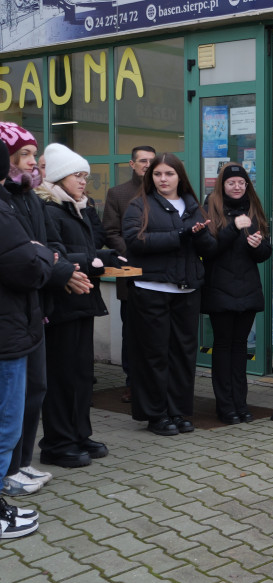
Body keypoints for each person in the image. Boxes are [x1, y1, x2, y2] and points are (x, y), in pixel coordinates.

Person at [0, 124, 85, 487]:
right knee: (11, 400)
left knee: (35, 389)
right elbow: (26, 256)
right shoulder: (5, 200)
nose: (35, 163)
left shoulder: (31, 198)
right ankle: (8, 470)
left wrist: (56, 262)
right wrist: (57, 267)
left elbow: (47, 245)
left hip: (34, 308)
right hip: (15, 310)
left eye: (35, 155)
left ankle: (21, 462)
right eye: (27, 155)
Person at [37, 144, 122, 467]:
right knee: (61, 375)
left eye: (85, 176)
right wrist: (96, 260)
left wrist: (102, 257)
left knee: (82, 374)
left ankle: (79, 433)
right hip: (60, 304)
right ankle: (57, 443)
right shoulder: (47, 209)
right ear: (59, 177)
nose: (84, 181)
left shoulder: (80, 207)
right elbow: (53, 254)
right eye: (77, 175)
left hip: (84, 299)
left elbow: (91, 245)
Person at [122, 153, 215, 436]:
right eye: (158, 174)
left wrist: (199, 236)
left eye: (169, 174)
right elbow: (135, 241)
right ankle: (156, 415)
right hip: (151, 289)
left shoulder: (193, 205)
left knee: (183, 355)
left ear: (179, 177)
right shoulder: (140, 205)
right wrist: (181, 235)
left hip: (186, 291)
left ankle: (179, 412)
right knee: (155, 355)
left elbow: (209, 249)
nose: (163, 179)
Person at [0, 139, 54, 539]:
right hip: (7, 331)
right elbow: (27, 263)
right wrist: (41, 258)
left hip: (17, 323)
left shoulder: (20, 200)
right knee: (5, 423)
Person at [201, 164, 271, 424]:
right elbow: (208, 249)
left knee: (240, 348)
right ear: (222, 185)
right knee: (223, 346)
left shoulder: (253, 209)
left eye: (242, 182)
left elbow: (264, 254)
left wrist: (258, 246)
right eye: (232, 182)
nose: (237, 186)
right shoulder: (210, 209)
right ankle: (225, 406)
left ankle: (241, 404)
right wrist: (233, 228)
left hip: (248, 289)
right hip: (219, 289)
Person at [103, 146, 156, 404]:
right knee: (132, 334)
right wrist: (133, 253)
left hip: (161, 274)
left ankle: (156, 383)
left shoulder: (165, 191)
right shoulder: (119, 193)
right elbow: (110, 232)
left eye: (152, 161)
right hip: (131, 274)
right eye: (143, 161)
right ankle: (132, 382)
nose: (148, 165)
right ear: (132, 164)